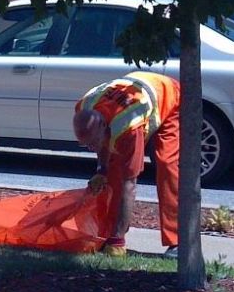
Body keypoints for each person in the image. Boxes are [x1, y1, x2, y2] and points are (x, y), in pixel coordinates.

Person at [72, 71, 181, 258]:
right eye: (86, 144)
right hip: (137, 84)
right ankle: (108, 233)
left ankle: (178, 241)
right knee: (112, 172)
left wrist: (118, 241)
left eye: (93, 143)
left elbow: (129, 184)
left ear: (104, 128)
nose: (91, 148)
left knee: (167, 166)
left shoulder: (128, 128)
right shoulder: (84, 107)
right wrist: (102, 169)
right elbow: (102, 142)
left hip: (170, 96)